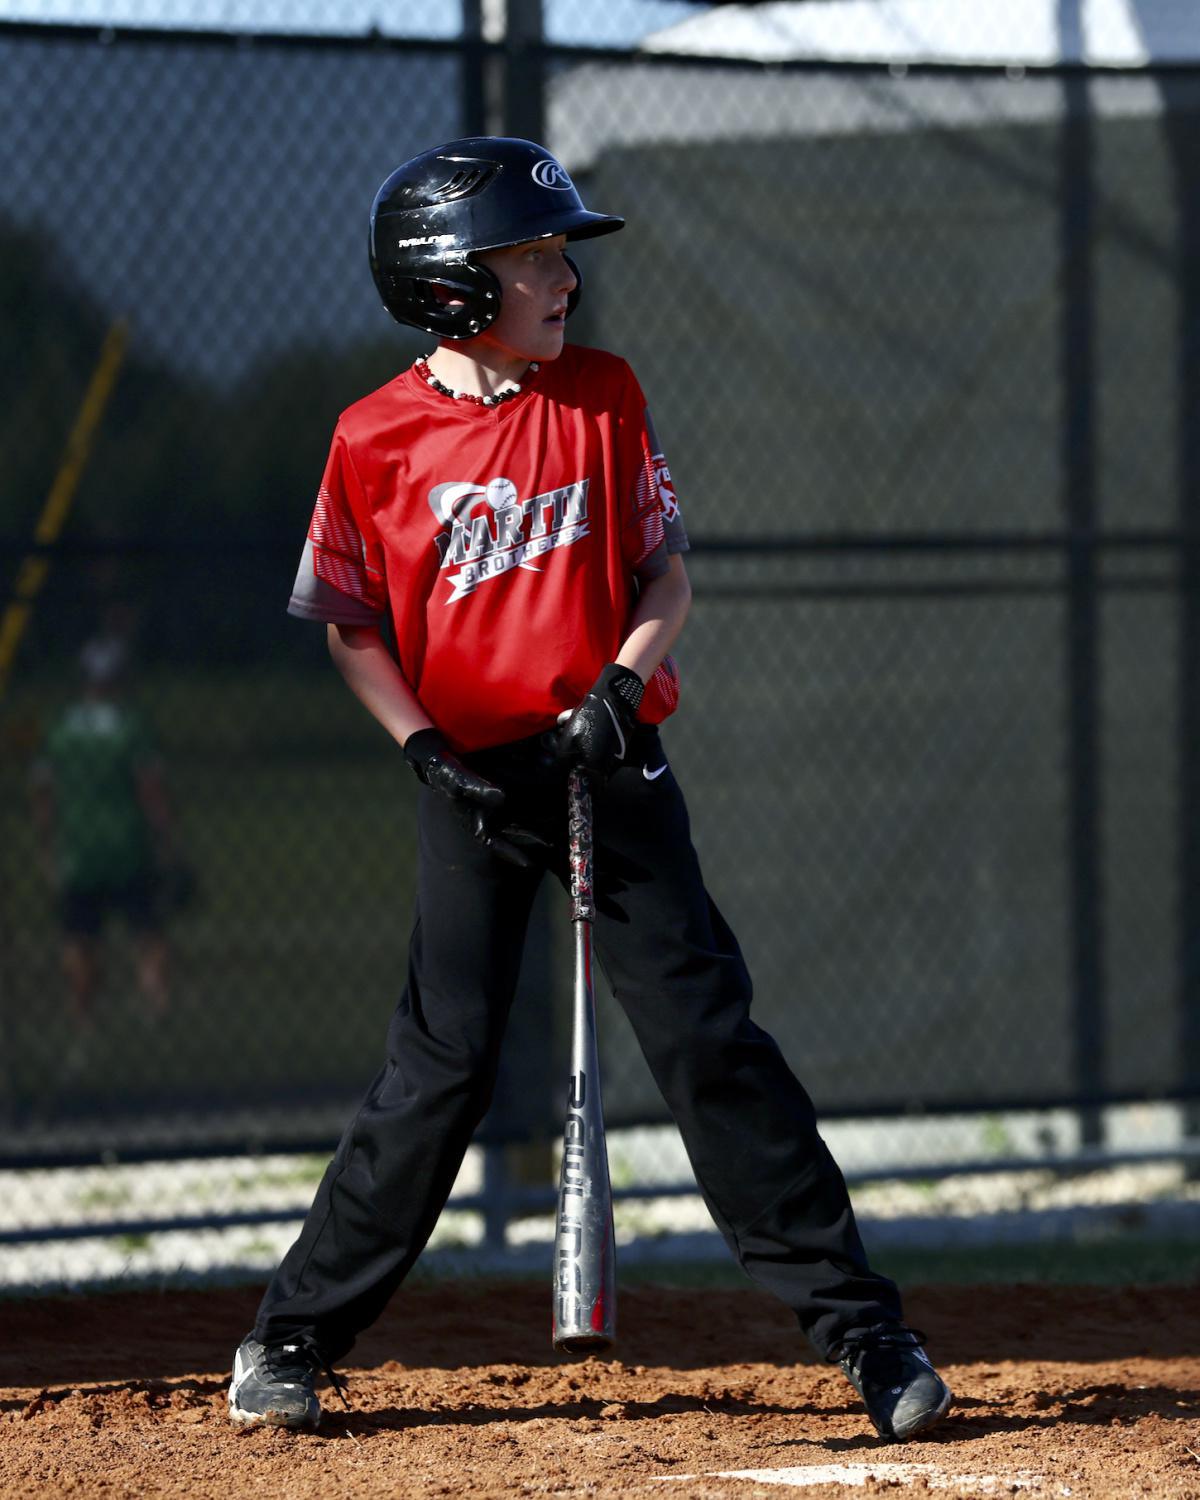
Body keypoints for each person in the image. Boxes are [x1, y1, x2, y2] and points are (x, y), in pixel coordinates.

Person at [227, 137, 952, 1444]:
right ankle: (290, 1335)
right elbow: (350, 626)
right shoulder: (373, 440)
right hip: (475, 785)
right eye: (535, 256)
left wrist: (620, 684)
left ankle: (869, 1336)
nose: (565, 277)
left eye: (562, 253)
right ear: (452, 287)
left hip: (607, 768)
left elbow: (664, 579)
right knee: (439, 1071)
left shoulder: (604, 397)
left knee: (707, 1044)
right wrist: (421, 750)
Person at [30, 621, 175, 1057]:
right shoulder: (131, 727)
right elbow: (149, 789)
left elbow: (43, 794)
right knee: (148, 933)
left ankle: (82, 1020)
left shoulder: (60, 729)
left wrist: (47, 844)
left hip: (79, 850)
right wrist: (167, 838)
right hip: (127, 847)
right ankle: (155, 1011)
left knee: (80, 939)